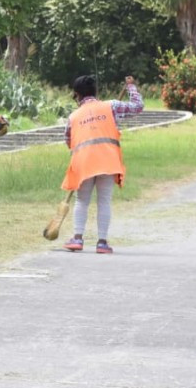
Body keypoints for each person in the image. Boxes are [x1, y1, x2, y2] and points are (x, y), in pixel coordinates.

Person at [61, 75, 143, 254]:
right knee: (104, 200)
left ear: (77, 95)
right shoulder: (111, 106)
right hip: (108, 160)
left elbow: (68, 140)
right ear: (95, 91)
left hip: (84, 162)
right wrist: (131, 87)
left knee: (82, 200)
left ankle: (77, 238)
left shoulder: (73, 117)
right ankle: (102, 243)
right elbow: (137, 107)